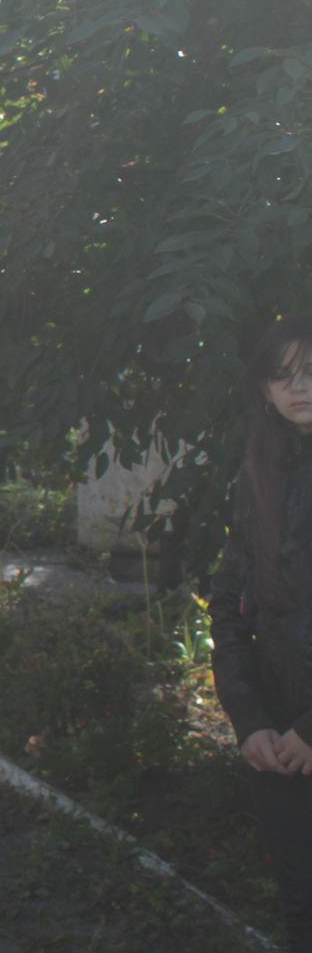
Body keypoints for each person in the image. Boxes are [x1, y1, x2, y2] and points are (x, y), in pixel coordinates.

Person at [212, 315, 312, 952]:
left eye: (309, 371)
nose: (299, 386)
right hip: (277, 736)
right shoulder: (259, 478)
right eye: (283, 375)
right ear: (264, 391)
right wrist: (249, 719)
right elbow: (229, 606)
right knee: (300, 900)